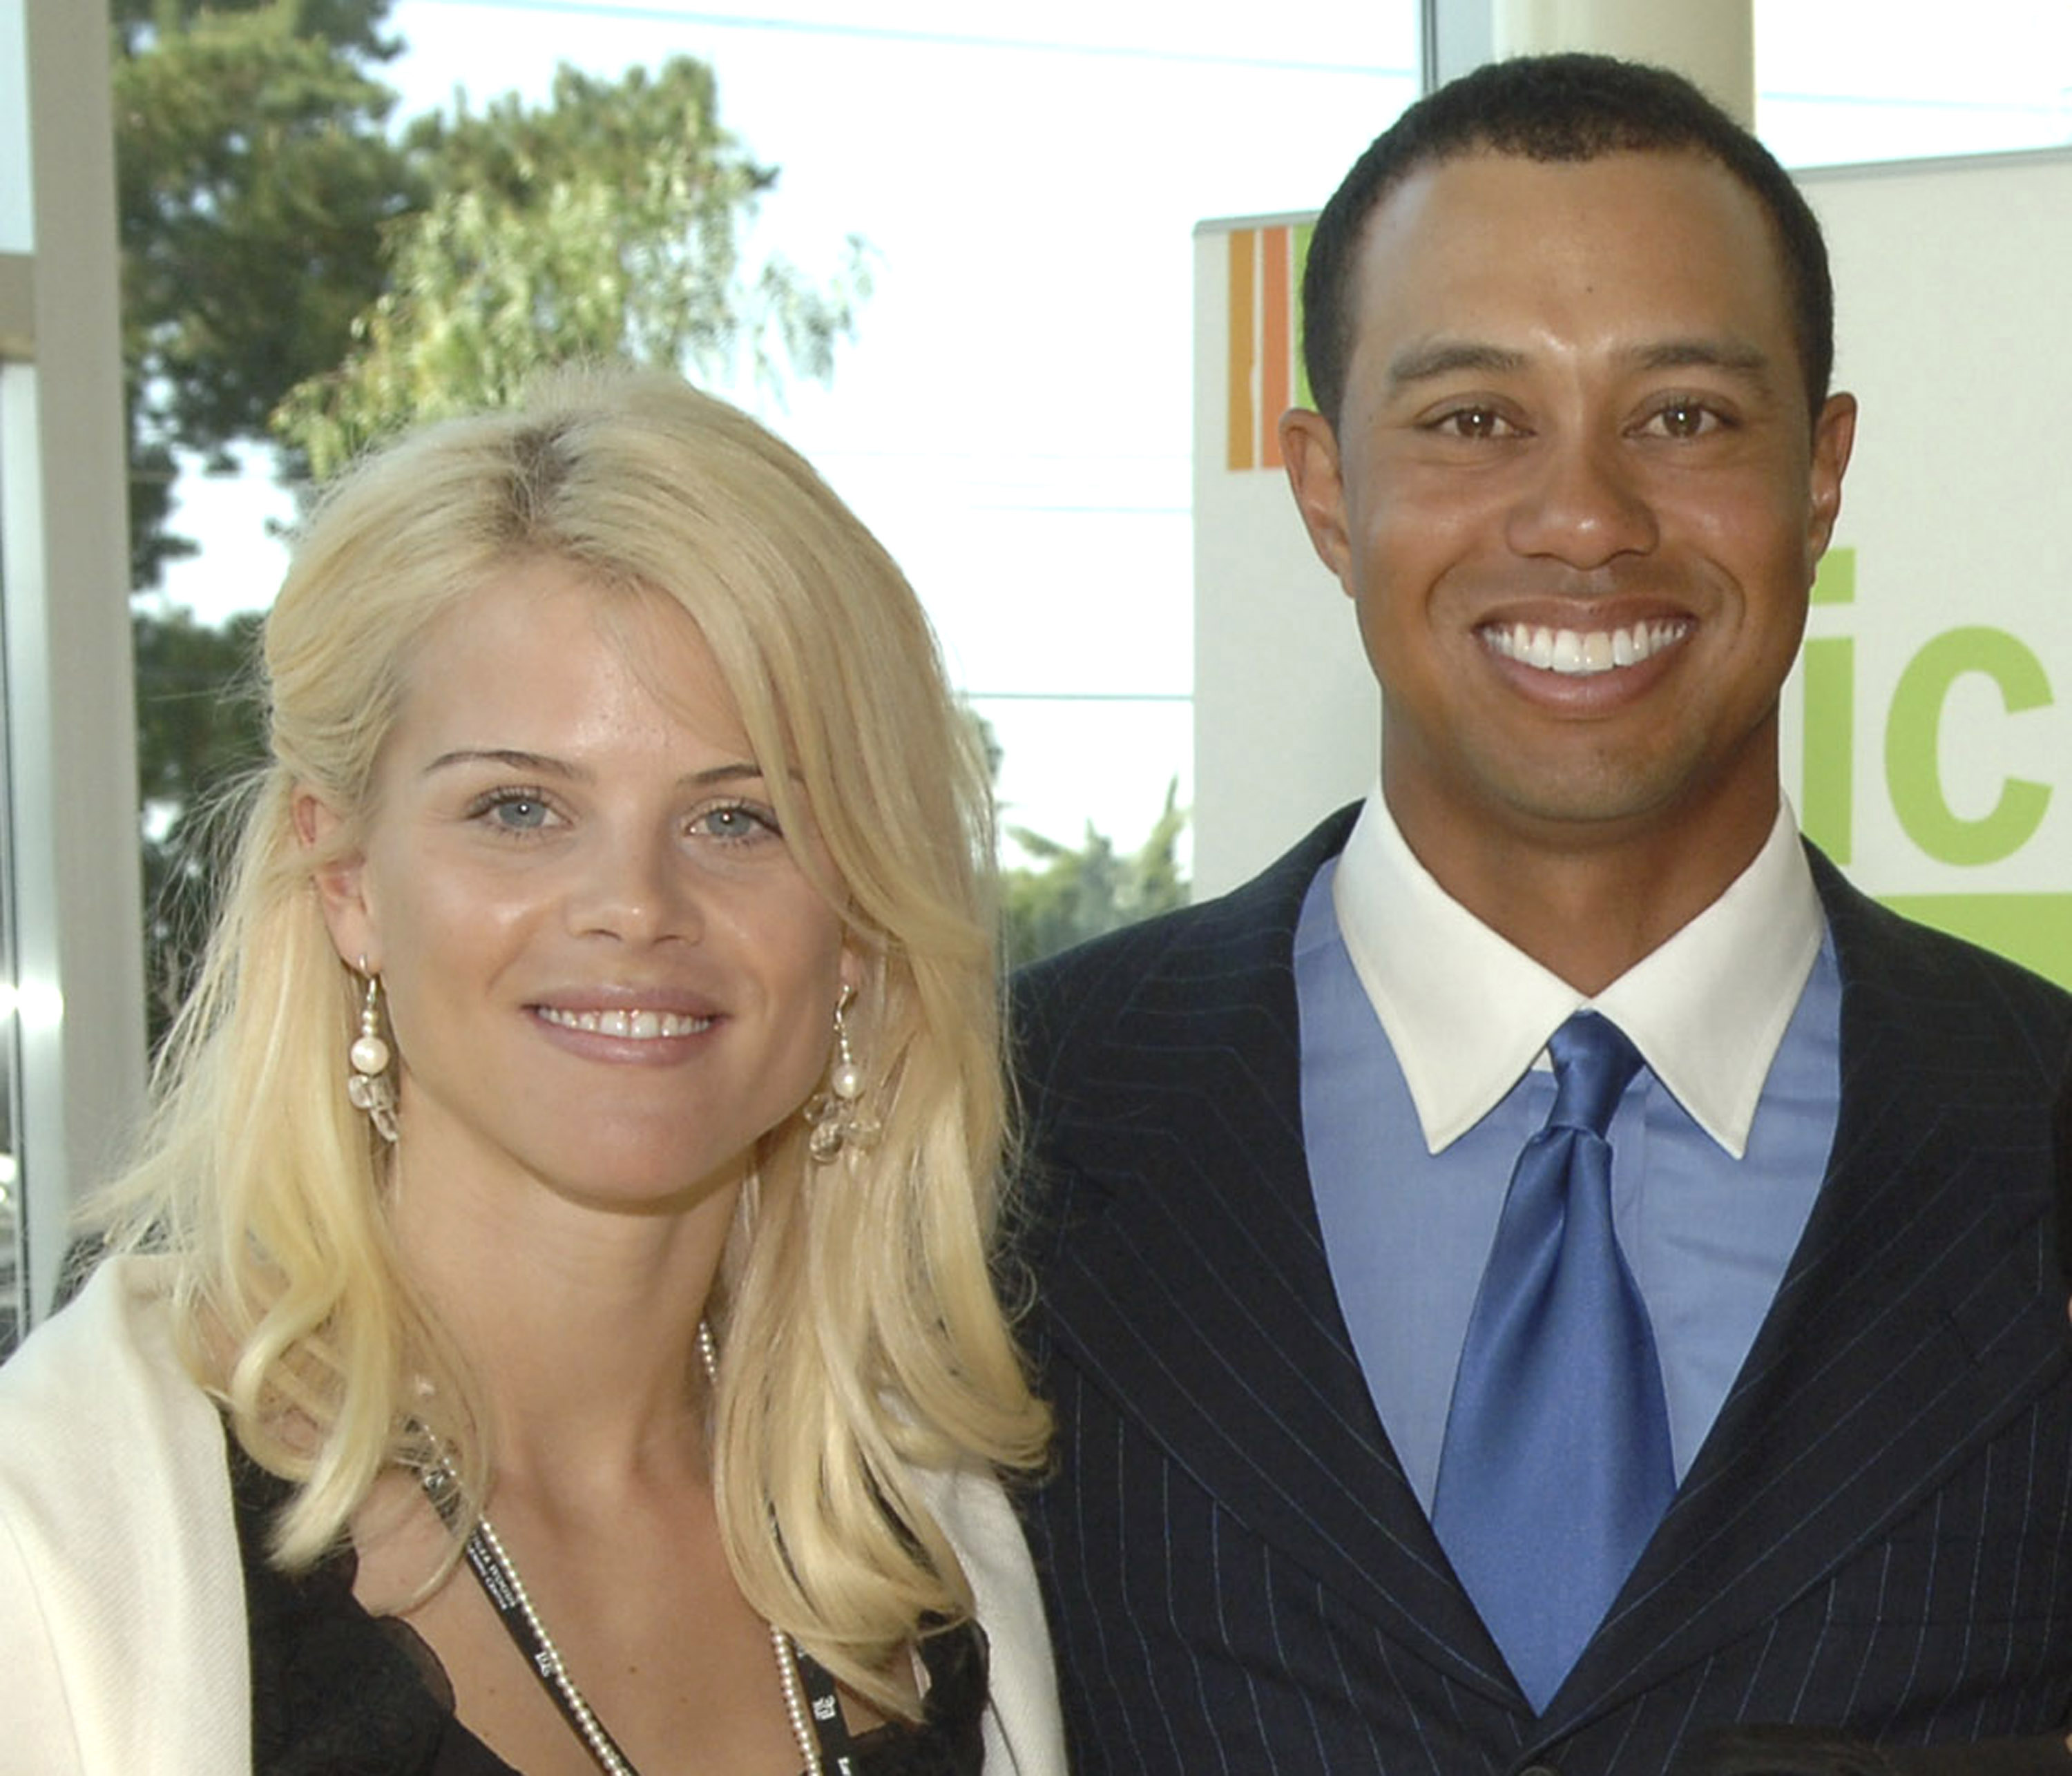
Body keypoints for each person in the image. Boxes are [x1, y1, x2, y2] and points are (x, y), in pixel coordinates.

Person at [1011, 52, 2072, 1775]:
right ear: (1325, 487)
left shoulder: (2034, 1120)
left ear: (1821, 474)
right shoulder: (996, 1130)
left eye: (1685, 416)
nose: (1585, 516)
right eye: (1473, 418)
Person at [0, 369, 1064, 1775]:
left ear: (858, 925)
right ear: (347, 878)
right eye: (519, 807)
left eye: (740, 818)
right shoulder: (60, 1525)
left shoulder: (932, 1531)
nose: (635, 903)